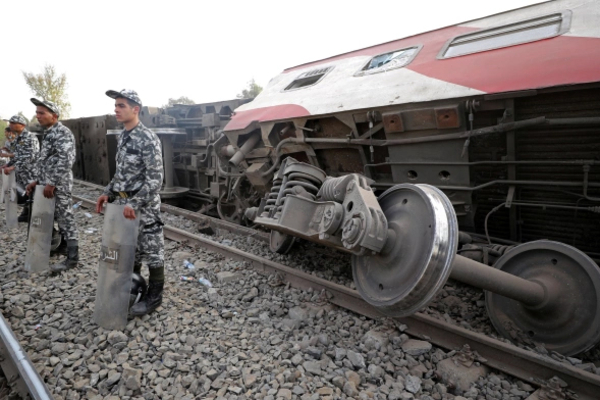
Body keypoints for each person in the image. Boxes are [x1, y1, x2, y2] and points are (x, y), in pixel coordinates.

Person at [96, 89, 165, 316]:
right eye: (116, 105)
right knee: (130, 251)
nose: (116, 109)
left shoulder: (148, 138)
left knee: (153, 252)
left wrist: (134, 203)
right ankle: (131, 290)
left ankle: (154, 297)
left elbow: (155, 179)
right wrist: (108, 192)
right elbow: (121, 174)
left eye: (121, 105)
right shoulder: (123, 136)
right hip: (124, 206)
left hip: (144, 207)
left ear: (136, 109)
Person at [25, 99, 79, 272]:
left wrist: (52, 182)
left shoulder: (63, 132)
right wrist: (37, 181)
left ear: (54, 116)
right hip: (47, 184)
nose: (37, 115)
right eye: (37, 112)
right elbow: (46, 161)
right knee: (55, 215)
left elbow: (66, 160)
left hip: (59, 184)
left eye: (42, 113)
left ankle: (73, 258)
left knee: (65, 217)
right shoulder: (49, 133)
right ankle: (62, 247)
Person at [2, 115, 39, 221]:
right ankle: (26, 214)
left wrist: (13, 167)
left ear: (22, 125)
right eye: (10, 123)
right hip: (21, 172)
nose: (10, 125)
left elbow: (31, 156)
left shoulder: (30, 137)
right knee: (26, 193)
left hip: (30, 171)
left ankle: (38, 216)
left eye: (13, 123)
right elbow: (17, 155)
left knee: (34, 192)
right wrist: (7, 165)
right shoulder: (18, 138)